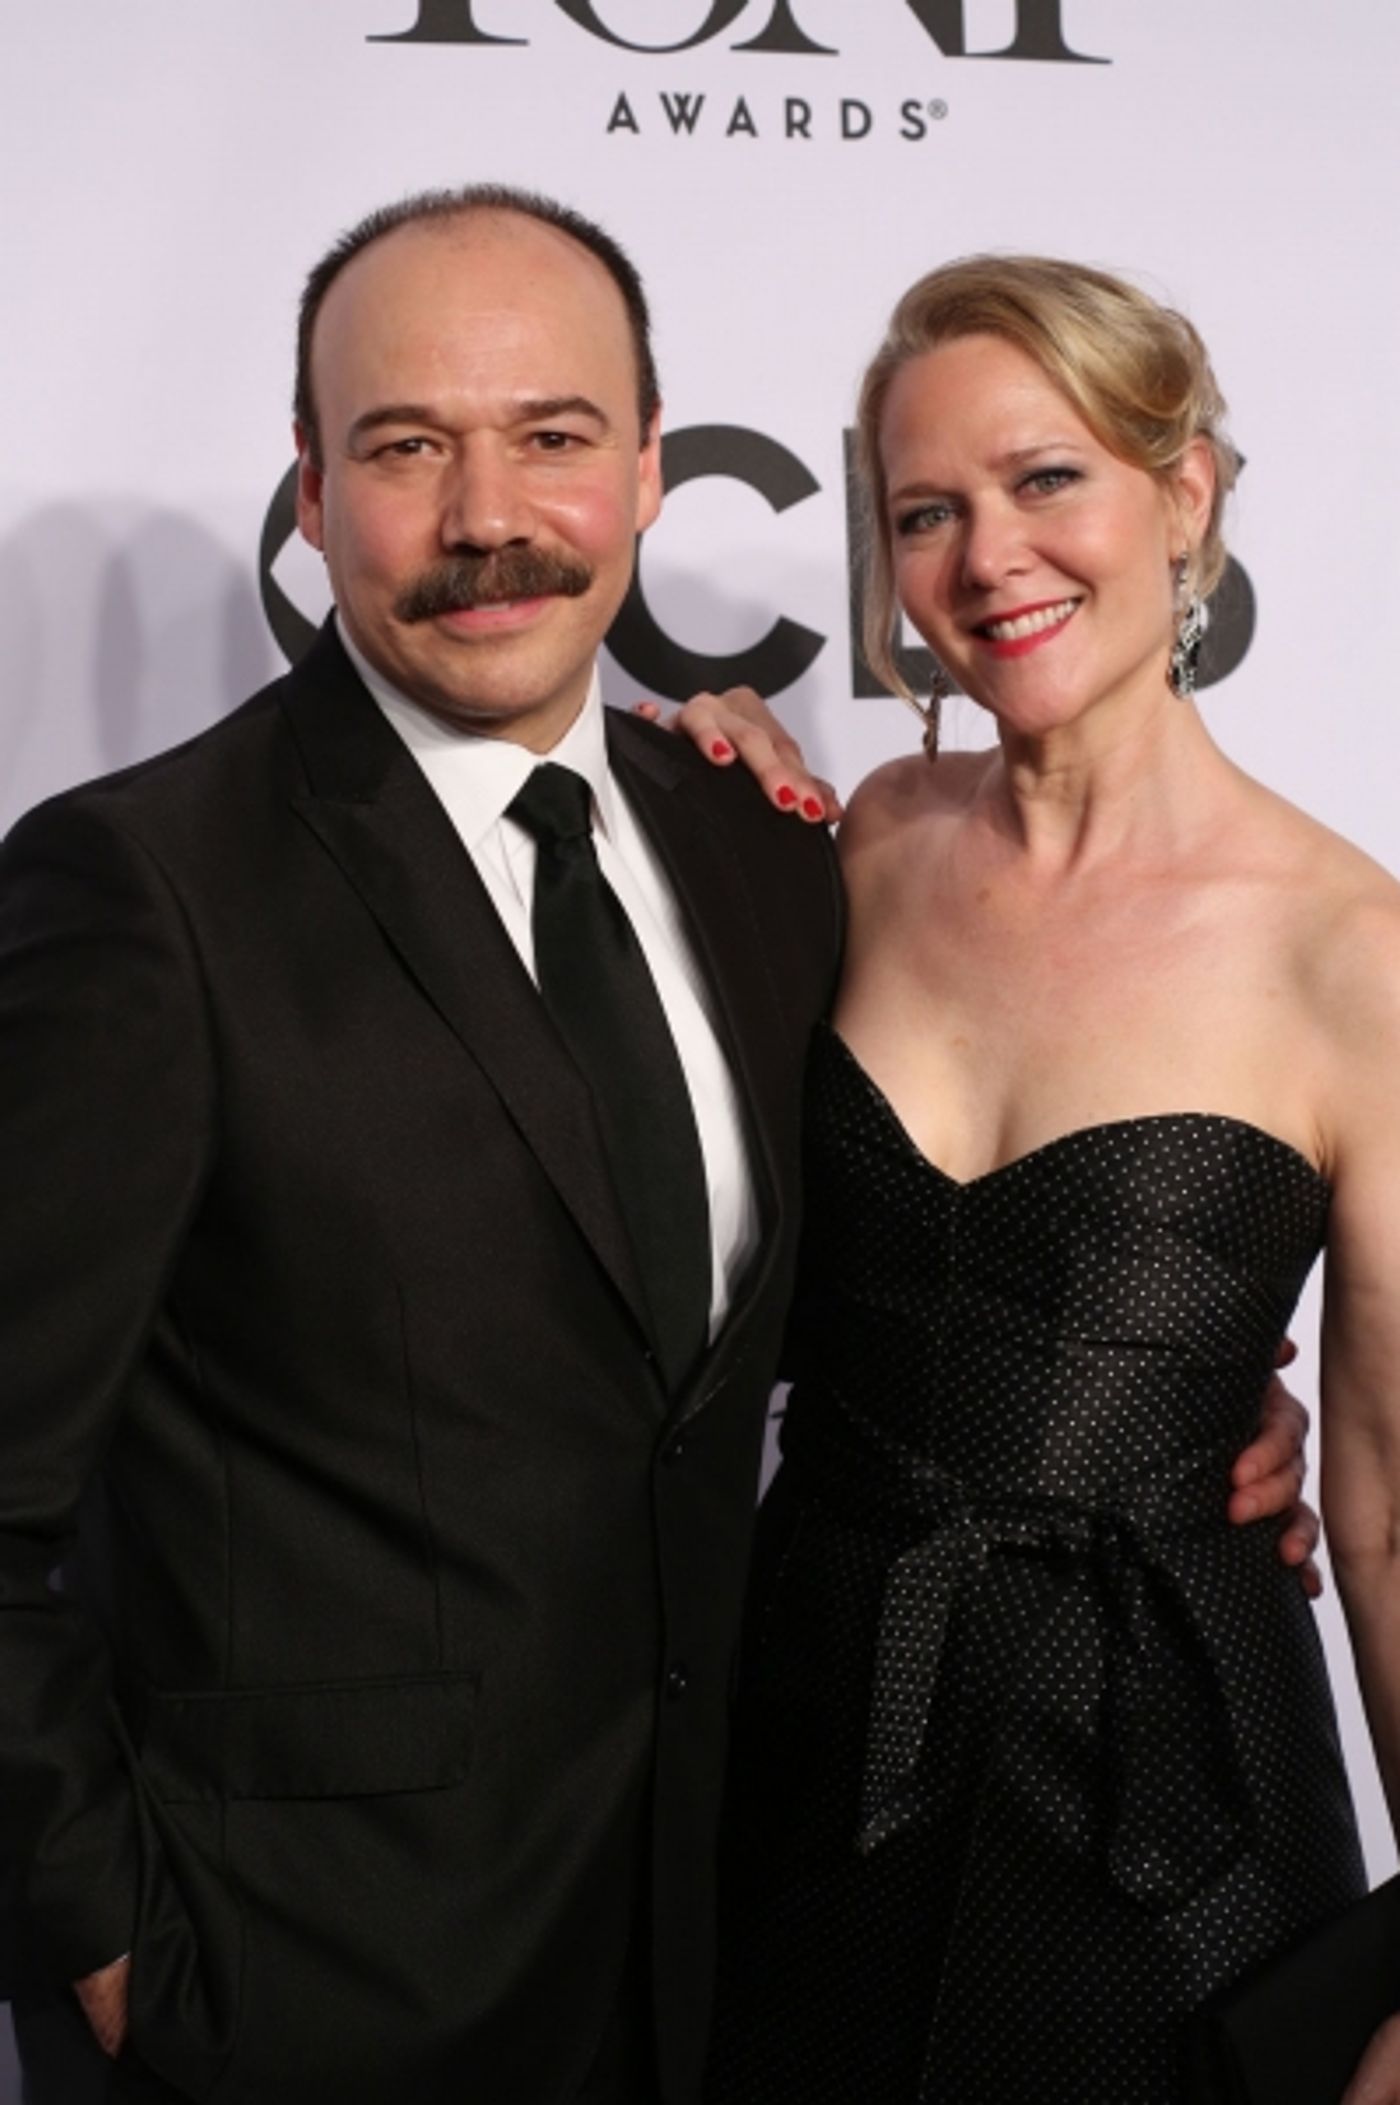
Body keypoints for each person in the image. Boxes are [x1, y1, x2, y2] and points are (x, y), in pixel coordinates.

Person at [0, 202, 1310, 2105]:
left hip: (729, 1937)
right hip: (294, 1999)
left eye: (551, 435)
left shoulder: (763, 846)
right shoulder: (143, 885)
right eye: (405, 445)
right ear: (312, 487)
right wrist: (106, 1942)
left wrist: (1169, 1396)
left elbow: (869, 1286)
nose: (486, 516)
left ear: (645, 470)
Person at [664, 256, 1400, 2102]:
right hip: (816, 1751)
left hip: (1170, 1811)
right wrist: (689, 791)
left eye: (1046, 476)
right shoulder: (864, 846)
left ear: (1185, 492)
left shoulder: (1352, 953)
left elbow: (1392, 1512)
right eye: (928, 512)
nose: (990, 556)